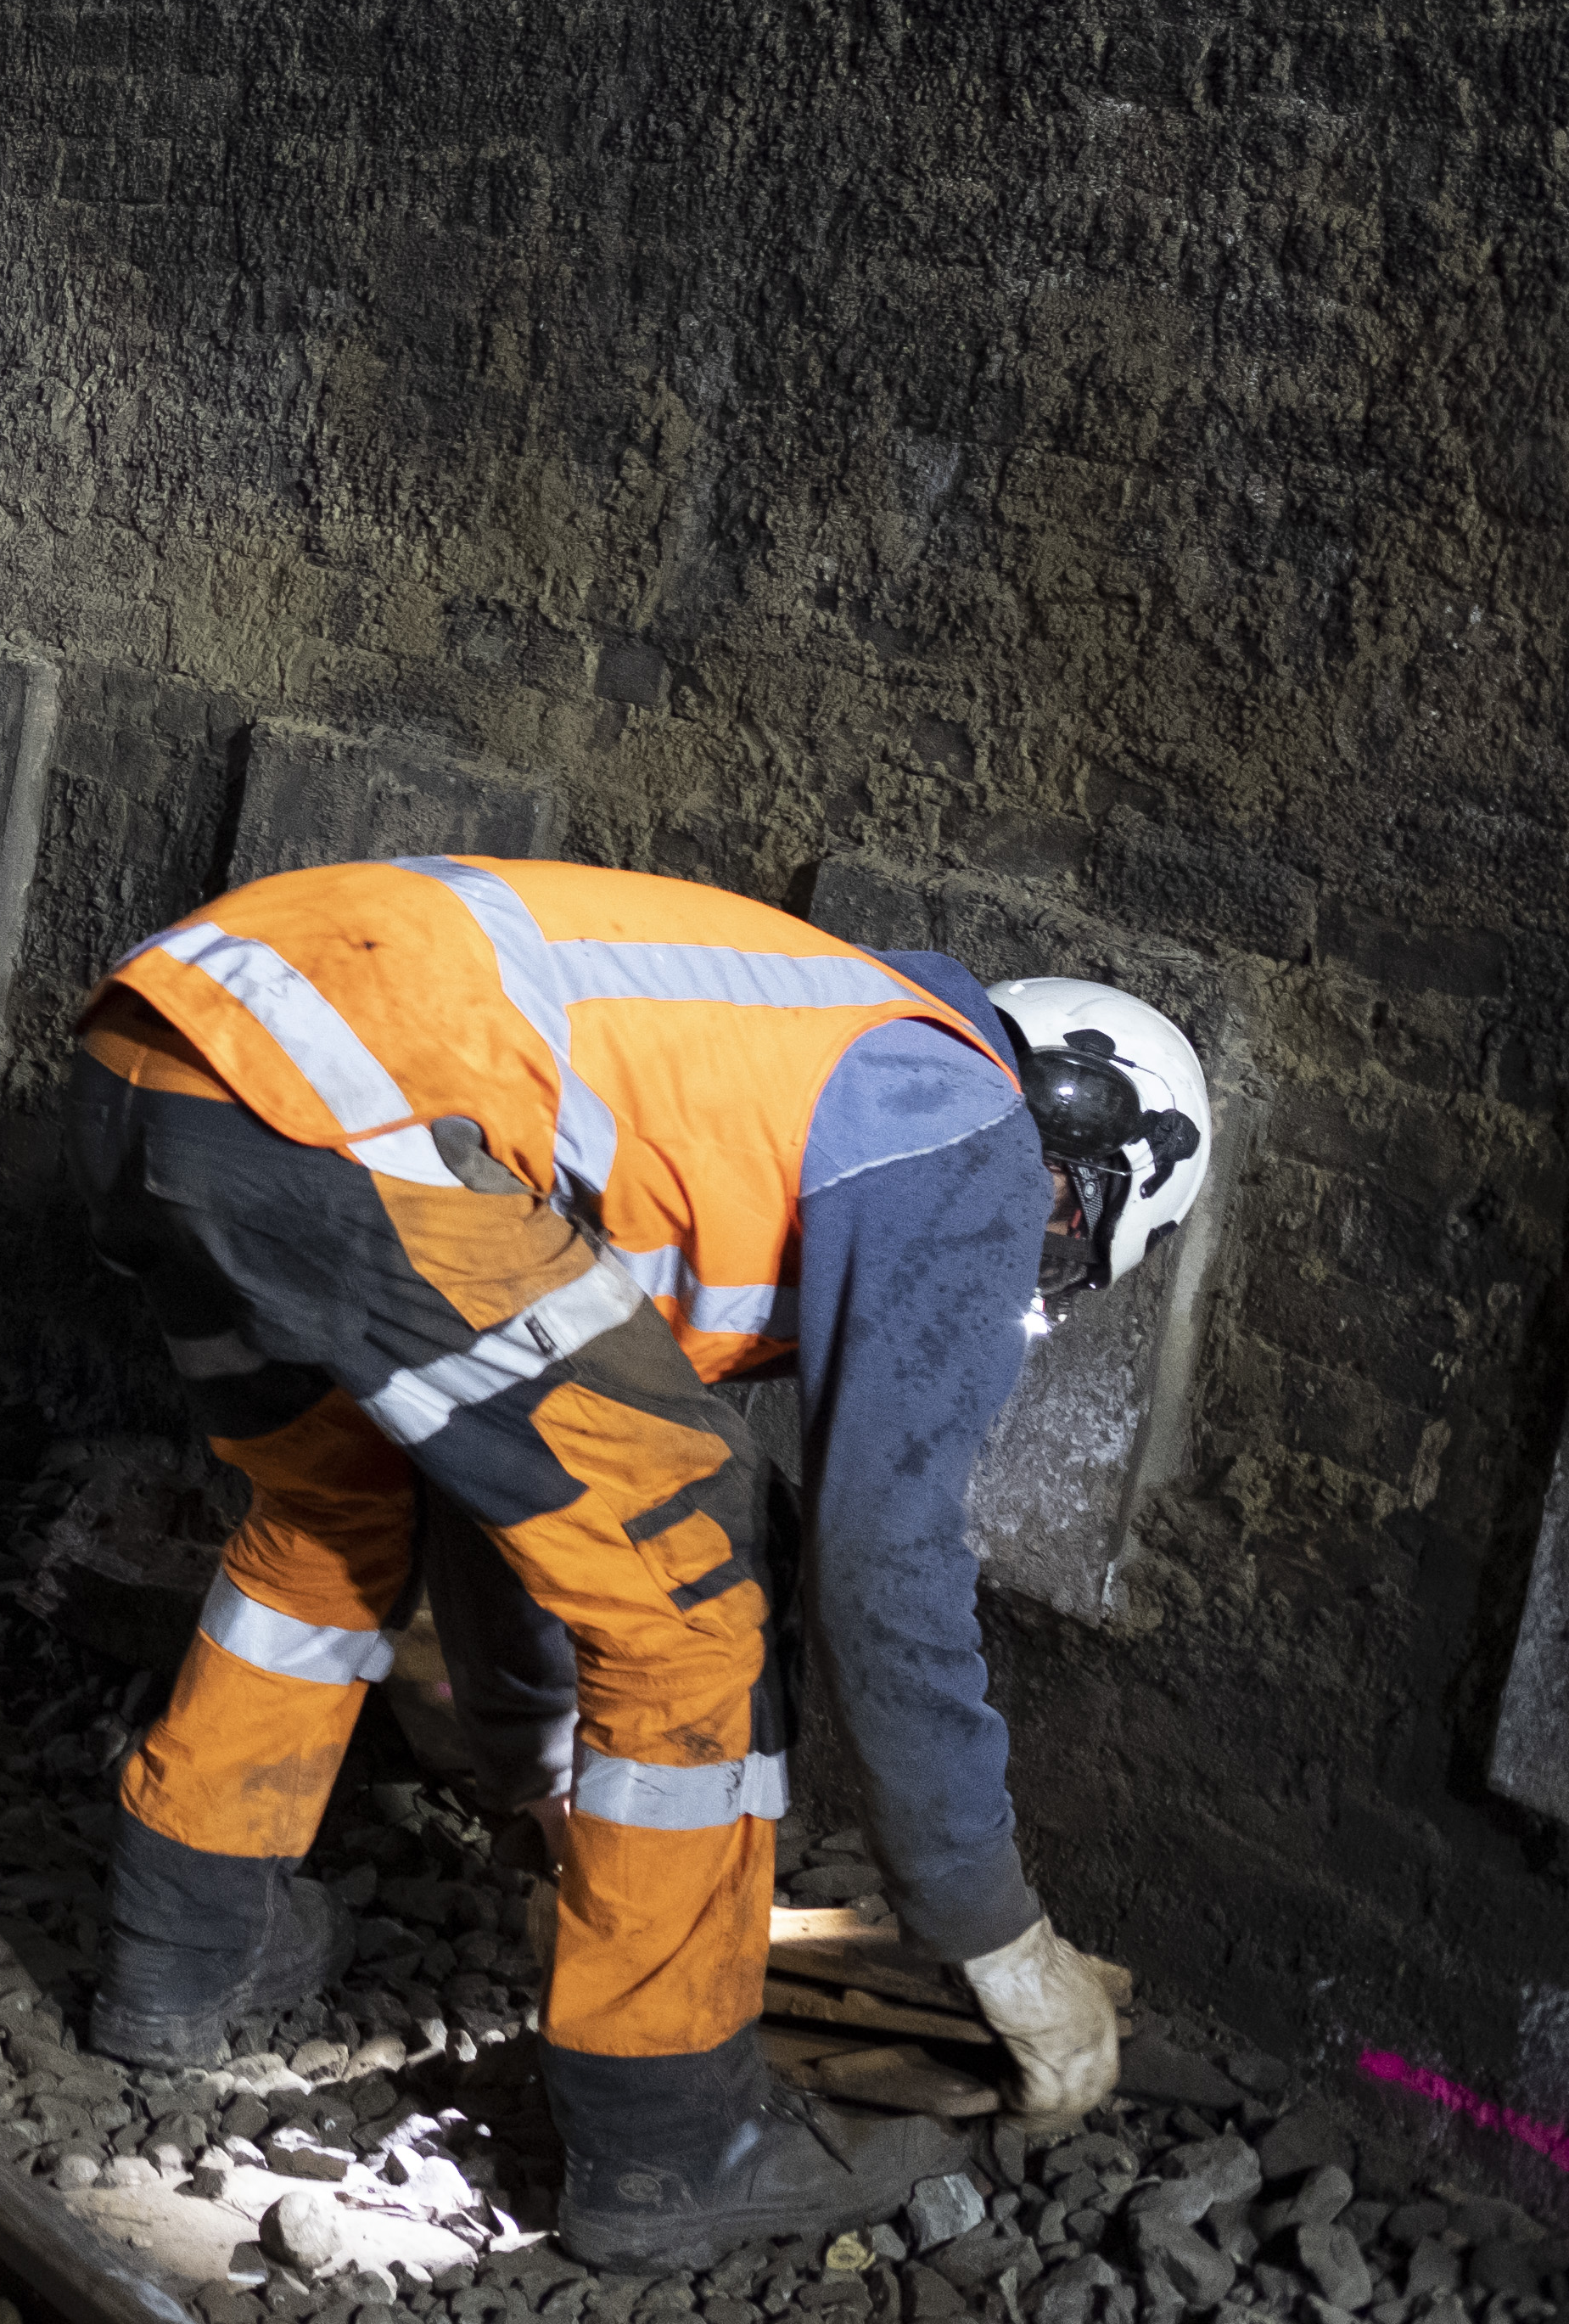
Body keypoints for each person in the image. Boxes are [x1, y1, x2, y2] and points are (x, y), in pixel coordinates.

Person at [70, 856, 1208, 2269]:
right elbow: (888, 1561)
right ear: (1073, 1192)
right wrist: (992, 1928)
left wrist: (547, 1780)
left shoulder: (773, 1084)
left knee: (331, 1518)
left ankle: (182, 1949)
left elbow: (515, 1490)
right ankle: (673, 2146)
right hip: (343, 1100)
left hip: (162, 1055)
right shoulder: (965, 1132)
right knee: (698, 1586)